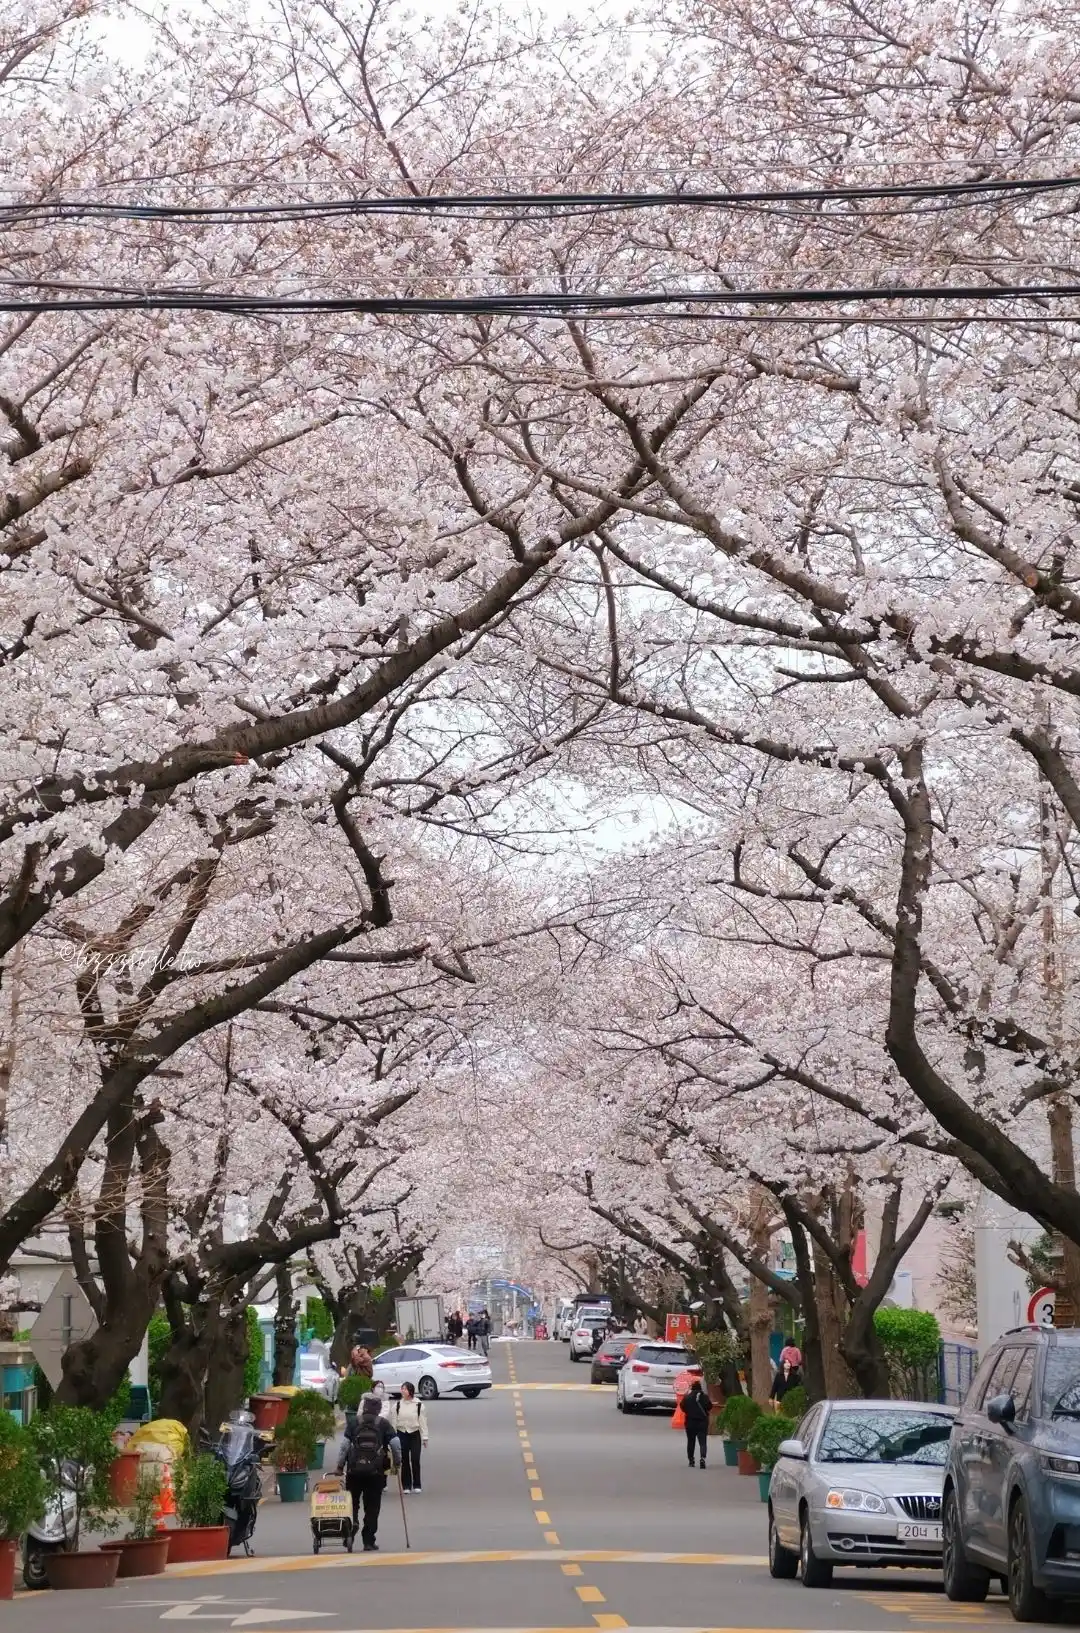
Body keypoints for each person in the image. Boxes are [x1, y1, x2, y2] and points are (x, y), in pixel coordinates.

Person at [336, 1392, 400, 1551]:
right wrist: (397, 1462)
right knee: (372, 1506)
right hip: (376, 1472)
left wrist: (339, 1466)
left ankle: (351, 1526)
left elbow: (344, 1446)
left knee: (352, 1503)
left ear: (363, 1407)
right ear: (378, 1409)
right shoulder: (383, 1424)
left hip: (354, 1471)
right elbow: (396, 1443)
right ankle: (368, 1540)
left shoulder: (353, 1422)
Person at [394, 1380, 429, 1492]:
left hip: (414, 1434)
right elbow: (394, 1422)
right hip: (401, 1433)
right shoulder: (397, 1405)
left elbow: (423, 1422)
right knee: (404, 1460)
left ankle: (417, 1484)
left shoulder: (418, 1405)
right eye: (402, 1388)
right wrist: (393, 1438)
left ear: (410, 1391)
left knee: (415, 1459)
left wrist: (425, 1437)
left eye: (404, 1389)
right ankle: (406, 1485)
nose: (402, 1391)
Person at [680, 1378, 713, 1469]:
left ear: (692, 1388)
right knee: (702, 1441)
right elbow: (710, 1406)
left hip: (690, 1422)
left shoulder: (687, 1397)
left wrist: (690, 1412)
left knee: (691, 1441)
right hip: (702, 1422)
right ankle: (702, 1458)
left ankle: (691, 1460)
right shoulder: (704, 1397)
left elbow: (682, 1407)